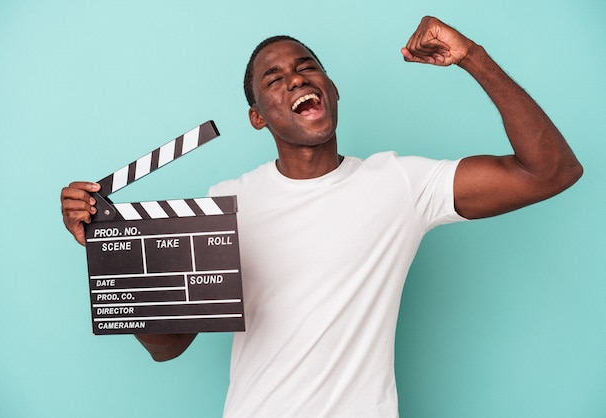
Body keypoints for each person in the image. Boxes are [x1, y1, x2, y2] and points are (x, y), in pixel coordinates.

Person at [61, 16, 582, 418]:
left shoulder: (399, 184)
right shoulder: (226, 206)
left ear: (331, 90)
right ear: (257, 117)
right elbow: (168, 347)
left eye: (307, 67)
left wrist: (473, 57)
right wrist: (112, 251)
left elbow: (550, 171)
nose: (295, 79)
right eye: (274, 78)